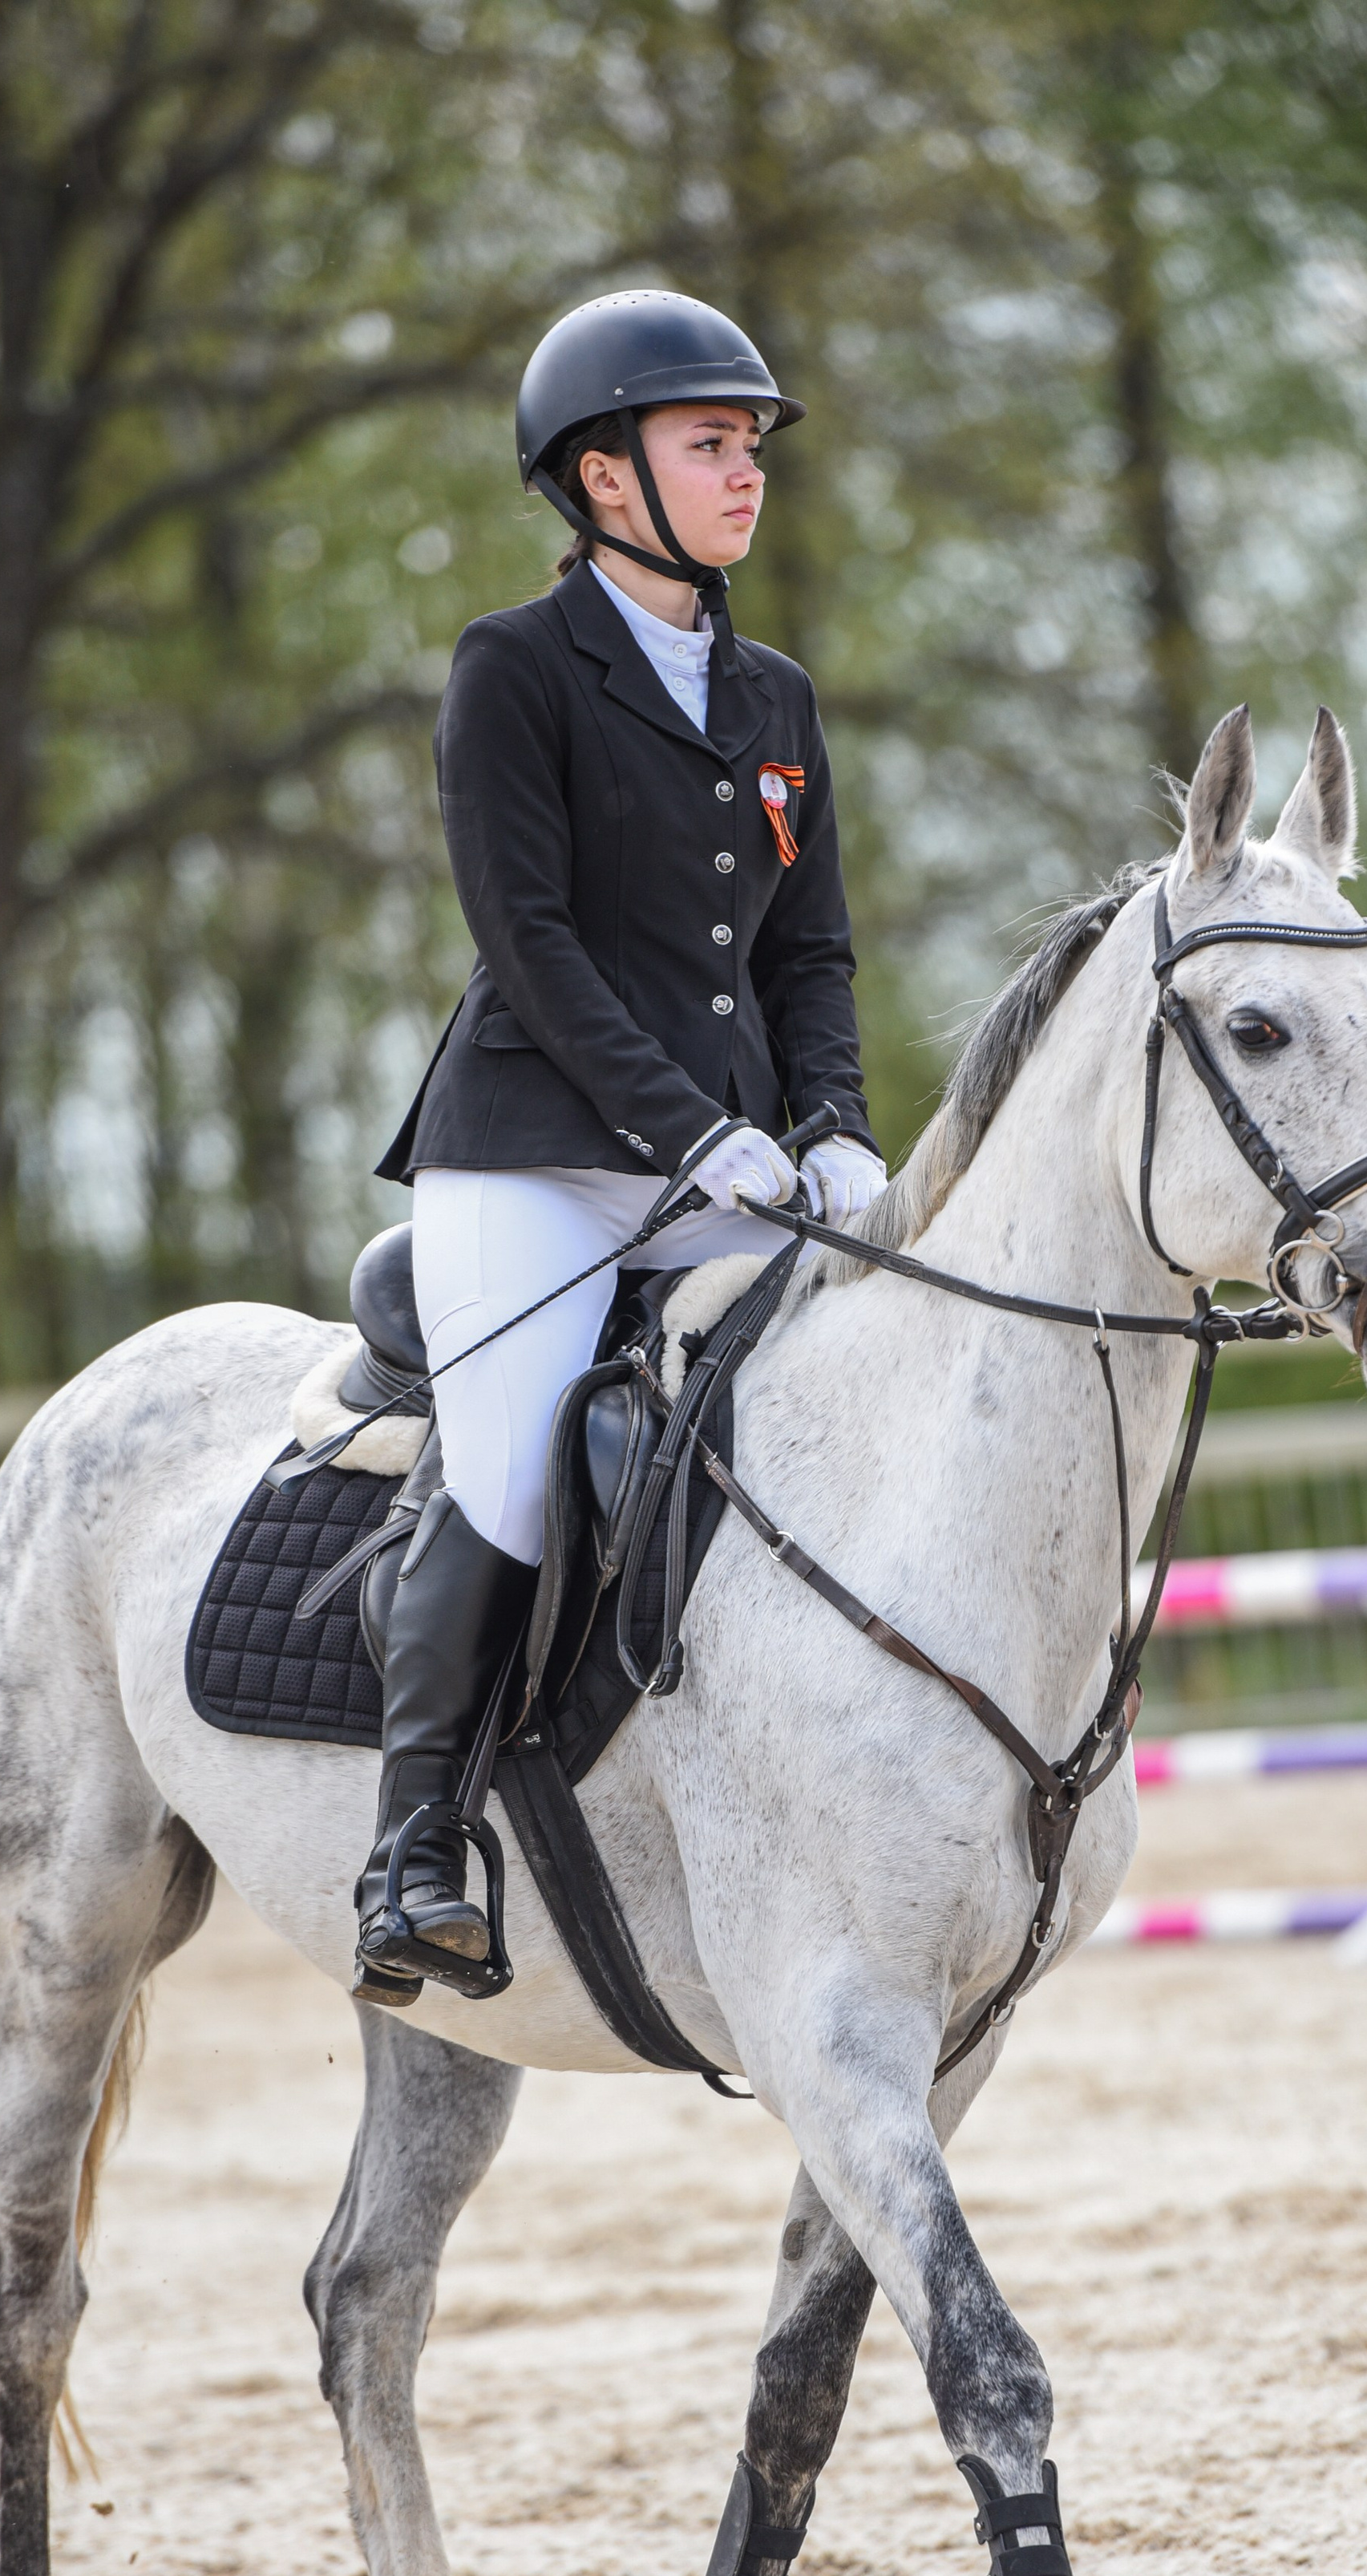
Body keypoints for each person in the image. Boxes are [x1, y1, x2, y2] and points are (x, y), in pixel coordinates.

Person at [353, 289, 886, 2008]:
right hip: (535, 1159)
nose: (745, 475)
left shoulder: (776, 692)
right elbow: (529, 942)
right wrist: (695, 1133)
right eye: (709, 444)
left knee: (839, 1410)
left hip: (729, 1164)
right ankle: (414, 1842)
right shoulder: (516, 668)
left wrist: (834, 1131)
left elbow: (807, 955)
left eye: (748, 447)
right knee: (512, 1460)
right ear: (602, 475)